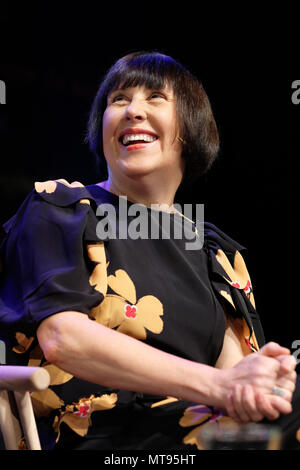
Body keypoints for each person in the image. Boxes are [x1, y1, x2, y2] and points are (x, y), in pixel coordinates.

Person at [0, 51, 299, 450]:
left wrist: (266, 380)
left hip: (200, 429)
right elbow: (62, 338)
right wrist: (219, 385)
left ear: (191, 129)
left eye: (155, 97)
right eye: (118, 100)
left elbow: (235, 378)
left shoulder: (214, 251)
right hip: (101, 432)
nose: (132, 111)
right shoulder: (62, 209)